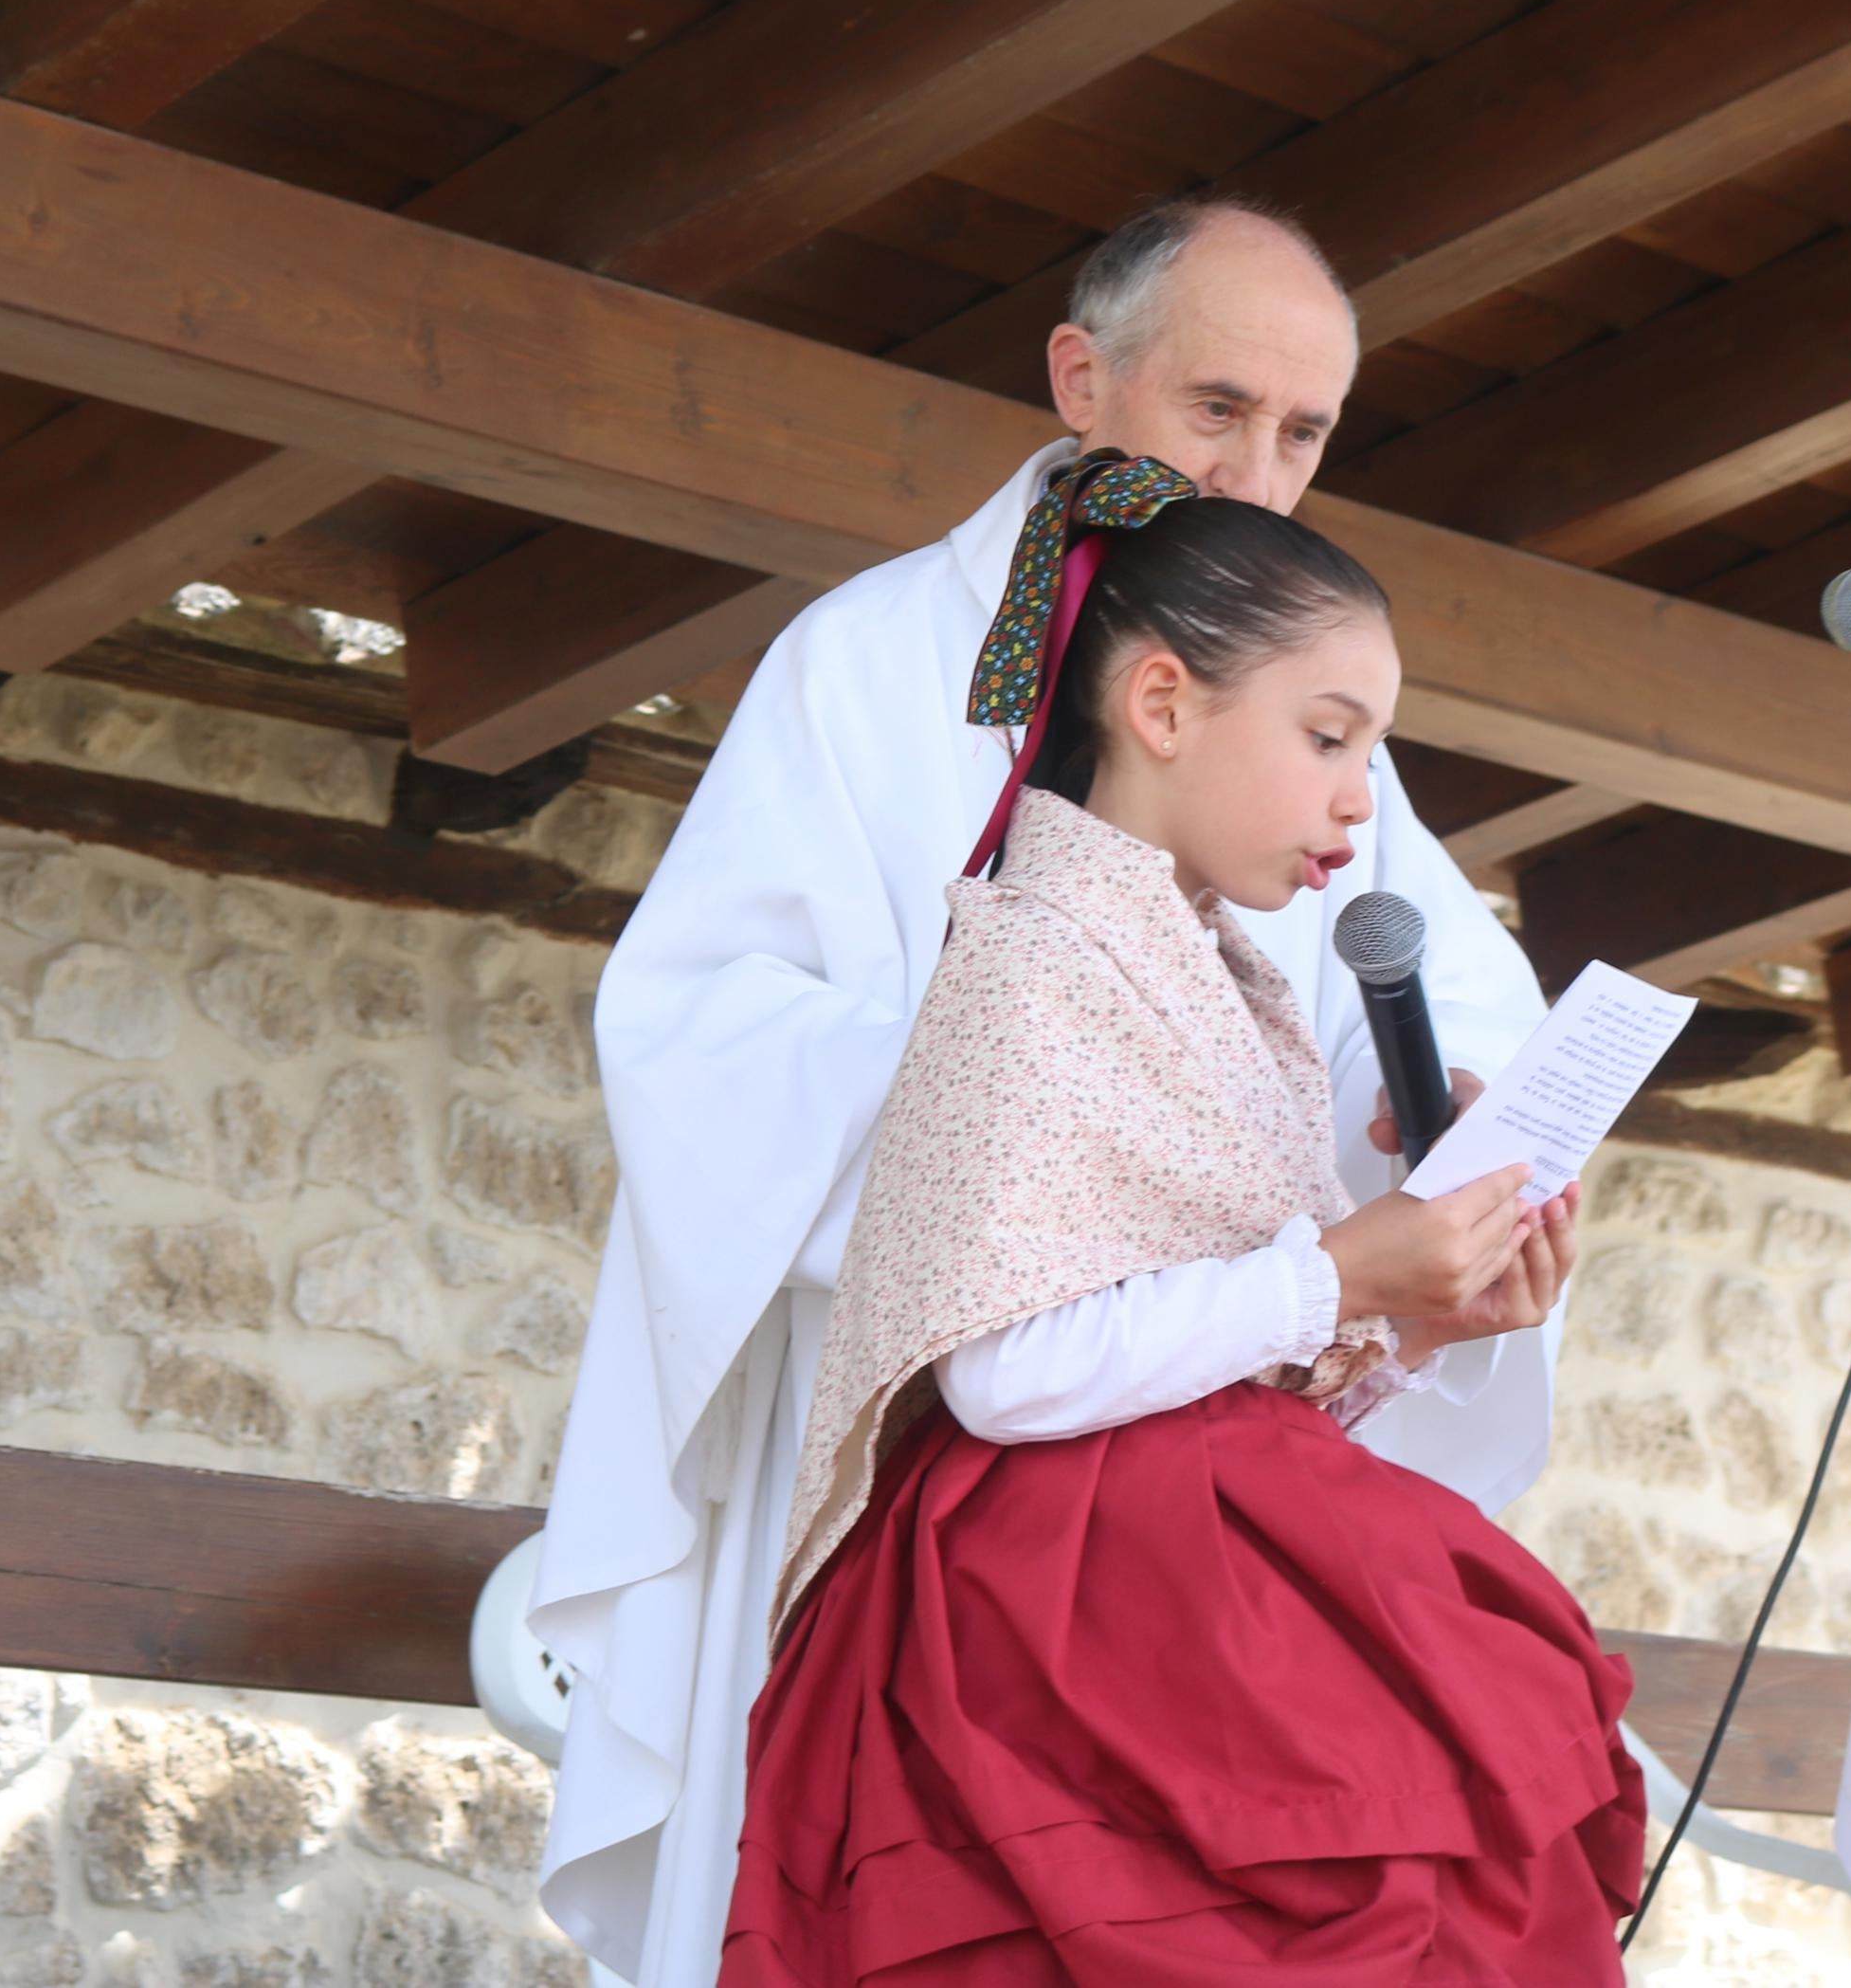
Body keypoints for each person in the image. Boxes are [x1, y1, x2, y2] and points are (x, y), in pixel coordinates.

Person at [533, 199, 1564, 1986]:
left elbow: (1403, 1010)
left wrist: (1445, 1153)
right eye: (1219, 409)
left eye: (1304, 434)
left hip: (1197, 1448)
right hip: (942, 1427)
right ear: (1083, 378)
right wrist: (1050, 1114)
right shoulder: (872, 664)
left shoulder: (1303, 698)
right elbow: (700, 1030)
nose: (1257, 471)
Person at [725, 471, 1638, 1980]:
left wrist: (1418, 1312)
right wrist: (1344, 1269)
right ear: (1160, 702)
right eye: (1329, 738)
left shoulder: (1240, 987)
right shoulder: (1027, 959)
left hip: (1166, 1594)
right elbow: (1007, 1373)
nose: (1362, 798)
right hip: (1045, 1634)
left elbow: (1222, 1367)